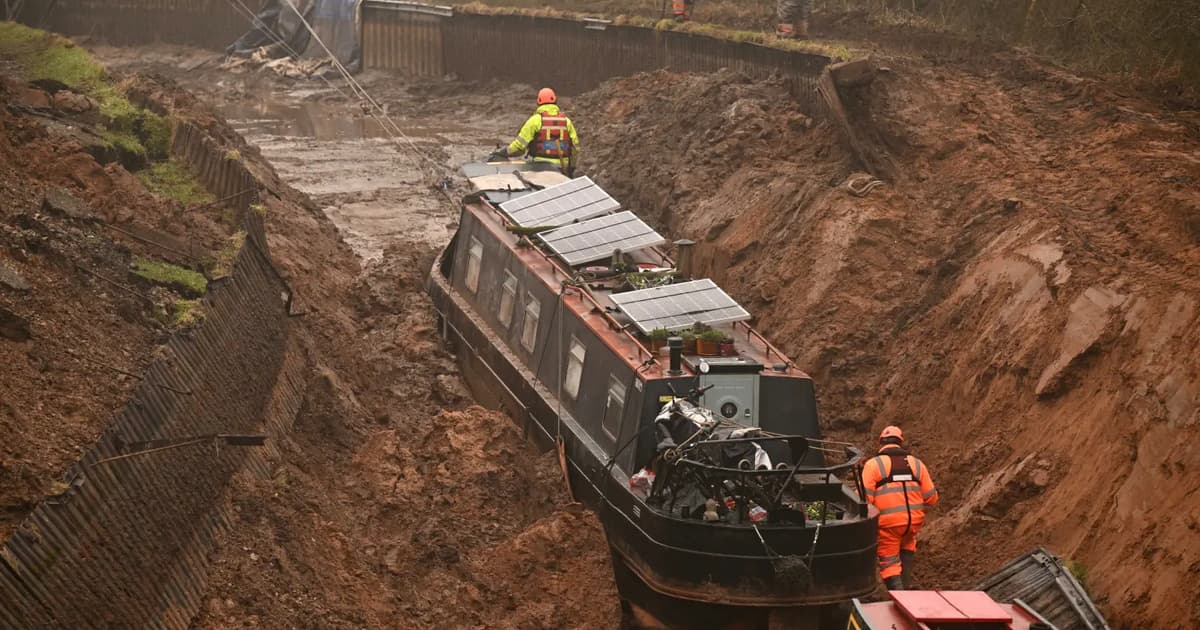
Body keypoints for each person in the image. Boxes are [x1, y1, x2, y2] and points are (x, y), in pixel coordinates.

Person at [859, 425, 938, 590]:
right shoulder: (917, 464)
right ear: (901, 443)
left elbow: (865, 501)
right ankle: (906, 590)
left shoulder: (873, 465)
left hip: (889, 526)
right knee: (907, 548)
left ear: (881, 443)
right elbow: (931, 498)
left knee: (890, 565)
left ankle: (899, 598)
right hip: (913, 524)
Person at [495, 87, 580, 176]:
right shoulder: (567, 121)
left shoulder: (535, 121)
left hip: (540, 168)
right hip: (562, 169)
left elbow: (519, 147)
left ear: (538, 102)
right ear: (555, 101)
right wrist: (571, 168)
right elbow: (576, 148)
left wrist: (503, 152)